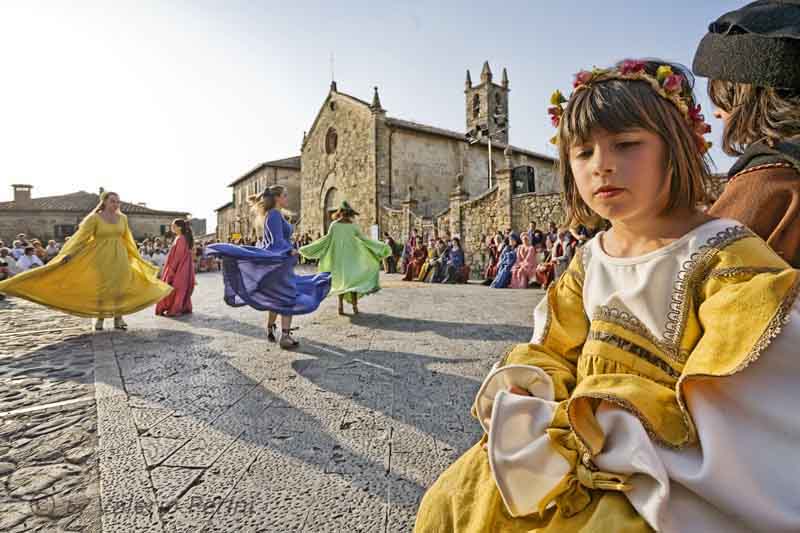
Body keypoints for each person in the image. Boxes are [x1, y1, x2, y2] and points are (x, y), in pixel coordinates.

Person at [415, 58, 800, 533]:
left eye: (627, 144)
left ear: (676, 149)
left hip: (660, 466)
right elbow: (555, 345)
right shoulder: (590, 260)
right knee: (455, 500)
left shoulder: (722, 252)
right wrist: (533, 387)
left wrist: (618, 425)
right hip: (570, 445)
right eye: (582, 153)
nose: (603, 166)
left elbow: (749, 381)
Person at [692, 0, 800, 267]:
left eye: (722, 97)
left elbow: (698, 272)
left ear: (751, 97)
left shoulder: (773, 176)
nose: (716, 113)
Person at [0, 191, 172, 330]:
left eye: (118, 201)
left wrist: (136, 257)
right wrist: (68, 254)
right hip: (100, 256)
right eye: (113, 201)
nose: (116, 204)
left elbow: (128, 239)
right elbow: (81, 238)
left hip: (119, 255)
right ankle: (100, 318)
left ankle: (119, 318)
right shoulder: (94, 218)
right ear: (104, 202)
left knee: (119, 286)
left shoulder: (123, 218)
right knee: (103, 287)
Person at [207, 185, 331, 349]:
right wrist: (290, 250)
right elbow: (275, 241)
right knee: (287, 297)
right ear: (278, 198)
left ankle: (271, 327)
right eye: (285, 195)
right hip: (279, 263)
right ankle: (285, 336)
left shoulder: (274, 215)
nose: (287, 198)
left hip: (280, 263)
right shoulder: (273, 215)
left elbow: (273, 241)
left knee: (277, 296)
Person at [299, 201, 390, 315]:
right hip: (351, 258)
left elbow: (326, 240)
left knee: (341, 283)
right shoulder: (352, 226)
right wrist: (379, 247)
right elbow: (364, 240)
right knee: (352, 284)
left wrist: (309, 248)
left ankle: (341, 306)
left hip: (339, 259)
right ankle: (354, 307)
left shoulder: (335, 225)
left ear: (340, 213)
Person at [156, 218, 196, 317]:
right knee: (180, 288)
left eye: (173, 226)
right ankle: (181, 307)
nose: (171, 228)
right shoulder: (181, 237)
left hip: (180, 267)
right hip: (184, 267)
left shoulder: (181, 238)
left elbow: (178, 256)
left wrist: (172, 270)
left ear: (179, 227)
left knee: (177, 288)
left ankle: (175, 308)